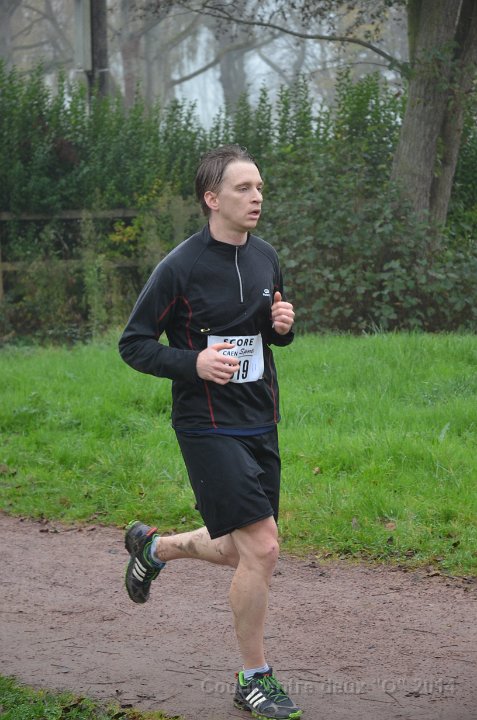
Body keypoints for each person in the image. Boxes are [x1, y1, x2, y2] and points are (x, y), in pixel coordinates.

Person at [118, 144, 301, 720]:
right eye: (244, 188)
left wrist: (282, 328)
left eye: (260, 187)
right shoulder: (181, 267)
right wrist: (192, 362)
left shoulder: (266, 257)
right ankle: (253, 678)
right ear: (212, 198)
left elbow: (265, 334)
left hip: (259, 418)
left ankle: (157, 548)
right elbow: (134, 344)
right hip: (207, 425)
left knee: (239, 549)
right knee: (263, 546)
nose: (257, 197)